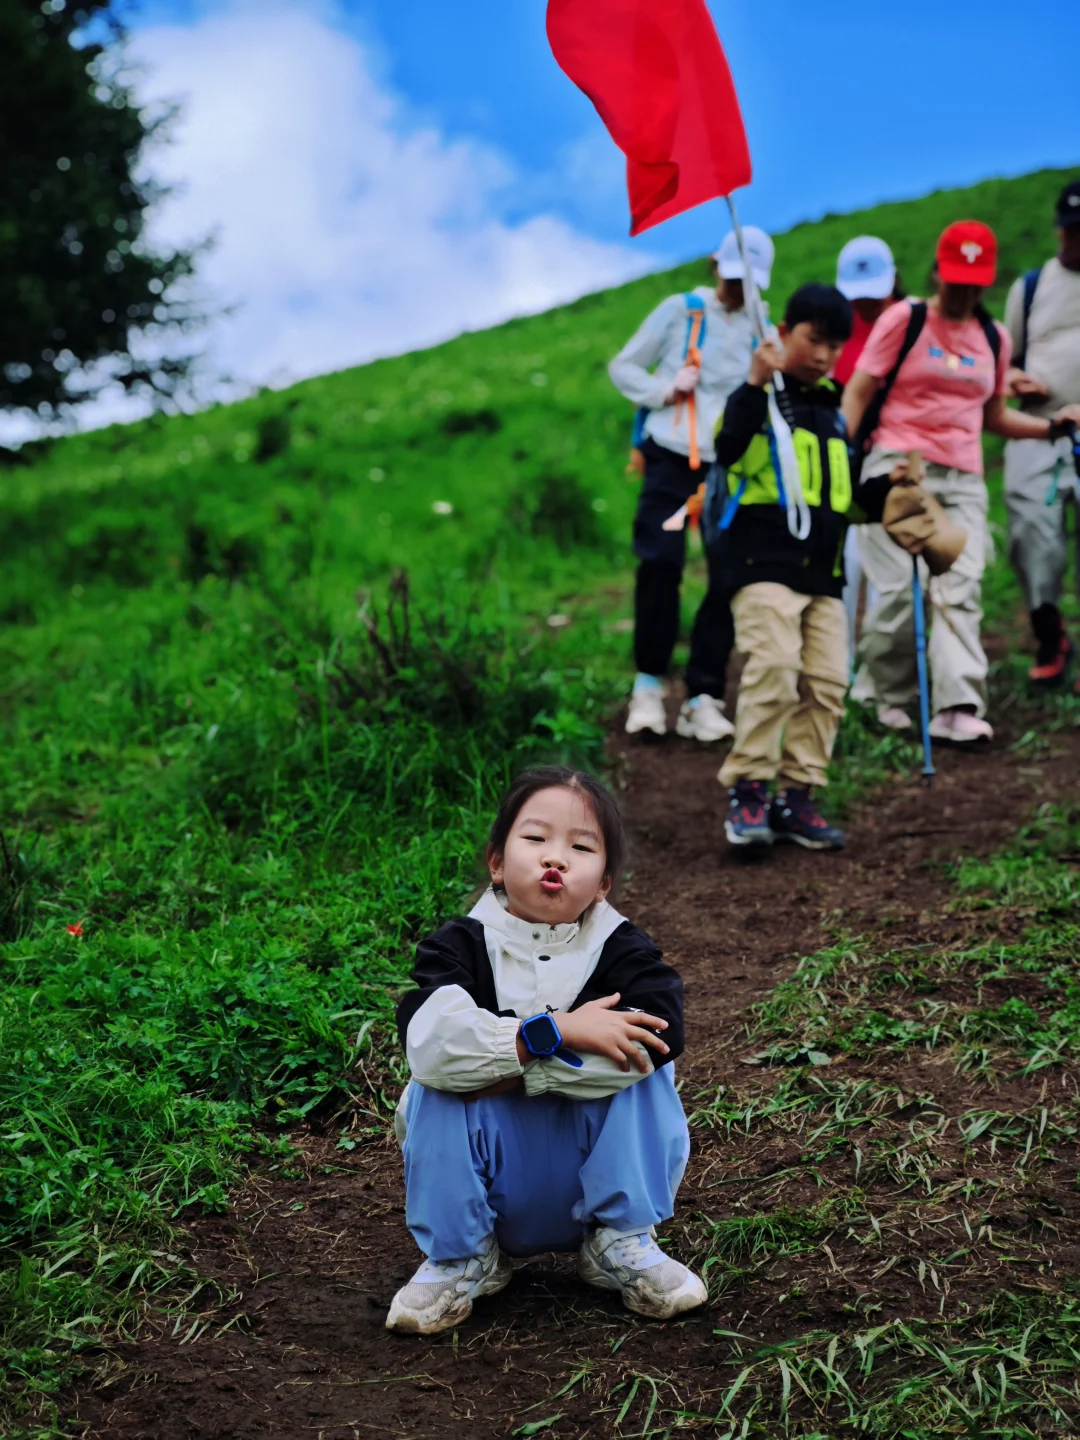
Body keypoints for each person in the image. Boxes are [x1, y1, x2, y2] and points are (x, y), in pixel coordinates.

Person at [386, 766, 705, 1335]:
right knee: (433, 1079)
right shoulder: (456, 947)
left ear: (603, 882)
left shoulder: (623, 951)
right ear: (497, 862)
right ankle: (461, 1257)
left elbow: (660, 1034)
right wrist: (555, 1032)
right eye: (535, 839)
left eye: (580, 847)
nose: (554, 858)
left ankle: (621, 1242)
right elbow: (433, 1048)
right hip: (491, 1178)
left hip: (589, 1173)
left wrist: (509, 1070)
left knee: (649, 1060)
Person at [843, 220, 1080, 745]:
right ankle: (882, 695)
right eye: (955, 279)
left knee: (959, 586)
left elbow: (993, 415)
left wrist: (1051, 425)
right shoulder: (904, 320)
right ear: (936, 271)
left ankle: (957, 704)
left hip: (964, 477)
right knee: (900, 593)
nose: (965, 291)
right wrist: (843, 461)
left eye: (975, 281)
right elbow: (859, 390)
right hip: (897, 469)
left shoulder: (993, 337)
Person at [609, 226, 774, 742]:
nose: (738, 291)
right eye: (731, 279)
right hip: (670, 458)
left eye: (748, 283)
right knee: (660, 562)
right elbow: (623, 365)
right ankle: (648, 685)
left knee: (725, 574)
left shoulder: (761, 322)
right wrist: (663, 388)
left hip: (726, 465)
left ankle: (705, 695)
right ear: (714, 266)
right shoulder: (679, 309)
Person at [709, 284, 858, 852]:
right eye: (813, 340)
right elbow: (728, 449)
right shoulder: (760, 395)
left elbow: (838, 495)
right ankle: (749, 788)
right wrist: (753, 381)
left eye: (834, 346)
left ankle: (797, 796)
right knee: (773, 665)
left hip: (824, 574)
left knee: (826, 683)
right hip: (762, 563)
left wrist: (889, 490)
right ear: (786, 331)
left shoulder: (834, 409)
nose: (823, 355)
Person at [1002, 179, 1080, 684]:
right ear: (1058, 230)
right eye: (1072, 231)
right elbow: (1003, 366)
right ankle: (1050, 633)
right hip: (1040, 427)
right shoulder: (1030, 288)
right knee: (1034, 533)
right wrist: (1016, 380)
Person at [833, 237, 905, 661]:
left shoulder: (913, 320)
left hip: (896, 456)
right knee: (848, 561)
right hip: (848, 457)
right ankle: (839, 663)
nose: (864, 307)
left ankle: (882, 663)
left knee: (886, 562)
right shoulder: (839, 324)